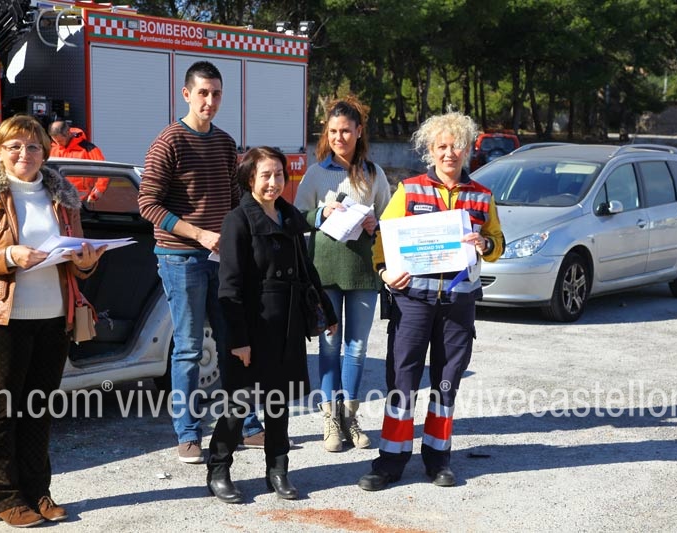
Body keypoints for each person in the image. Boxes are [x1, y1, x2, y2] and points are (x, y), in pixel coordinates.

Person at [358, 111, 504, 491]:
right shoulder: (410, 190)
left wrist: (485, 243)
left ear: (467, 149)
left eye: (456, 146)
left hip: (458, 304)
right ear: (430, 150)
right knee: (401, 380)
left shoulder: (482, 196)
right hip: (412, 302)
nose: (449, 152)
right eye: (441, 146)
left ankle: (438, 459)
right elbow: (383, 238)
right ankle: (390, 461)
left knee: (446, 383)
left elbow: (497, 244)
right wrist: (384, 272)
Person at [137, 61, 265, 464]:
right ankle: (188, 434)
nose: (210, 100)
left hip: (220, 258)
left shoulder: (226, 143)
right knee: (189, 348)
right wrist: (198, 234)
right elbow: (147, 203)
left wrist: (244, 240)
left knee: (233, 341)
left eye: (217, 93)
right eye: (203, 93)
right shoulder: (169, 142)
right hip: (181, 259)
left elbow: (234, 200)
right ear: (186, 94)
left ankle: (245, 425)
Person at [208, 147, 337, 503]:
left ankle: (278, 470)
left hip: (288, 325)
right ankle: (218, 470)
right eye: (265, 175)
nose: (273, 182)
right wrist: (238, 339)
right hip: (251, 327)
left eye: (279, 174)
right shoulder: (238, 220)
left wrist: (326, 312)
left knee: (278, 404)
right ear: (250, 178)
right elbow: (229, 286)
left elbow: (306, 270)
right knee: (238, 405)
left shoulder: (289, 215)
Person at [0, 115, 105, 527]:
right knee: (3, 412)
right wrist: (10, 256)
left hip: (54, 316)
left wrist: (86, 261)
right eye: (14, 146)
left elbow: (77, 262)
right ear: (0, 151)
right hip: (4, 319)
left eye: (33, 146)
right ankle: (6, 498)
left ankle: (38, 491)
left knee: (38, 410)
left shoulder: (62, 197)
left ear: (46, 151)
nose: (24, 154)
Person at [294, 96, 391, 452]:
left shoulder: (374, 174)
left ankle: (350, 417)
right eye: (333, 131)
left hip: (364, 272)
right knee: (329, 345)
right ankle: (330, 420)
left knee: (358, 346)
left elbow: (389, 218)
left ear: (359, 131)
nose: (339, 137)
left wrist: (375, 223)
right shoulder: (316, 173)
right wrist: (321, 213)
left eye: (346, 131)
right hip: (325, 273)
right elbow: (296, 217)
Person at [47, 120, 108, 203]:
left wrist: (98, 191)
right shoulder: (52, 149)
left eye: (60, 141)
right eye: (55, 141)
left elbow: (104, 170)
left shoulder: (88, 148)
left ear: (68, 133)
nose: (58, 144)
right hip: (57, 199)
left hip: (82, 201)